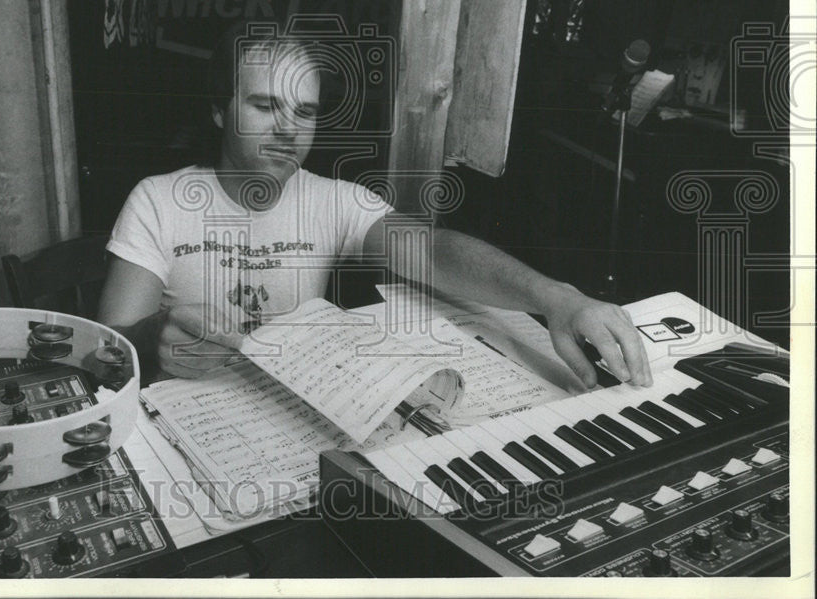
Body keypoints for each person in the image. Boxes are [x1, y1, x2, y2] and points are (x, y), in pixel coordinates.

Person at [97, 22, 653, 389]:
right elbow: (107, 350)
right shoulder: (159, 200)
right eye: (264, 106)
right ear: (219, 112)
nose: (289, 130)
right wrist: (154, 337)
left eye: (306, 113)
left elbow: (433, 253)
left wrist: (555, 297)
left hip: (291, 409)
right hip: (186, 413)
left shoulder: (330, 199)